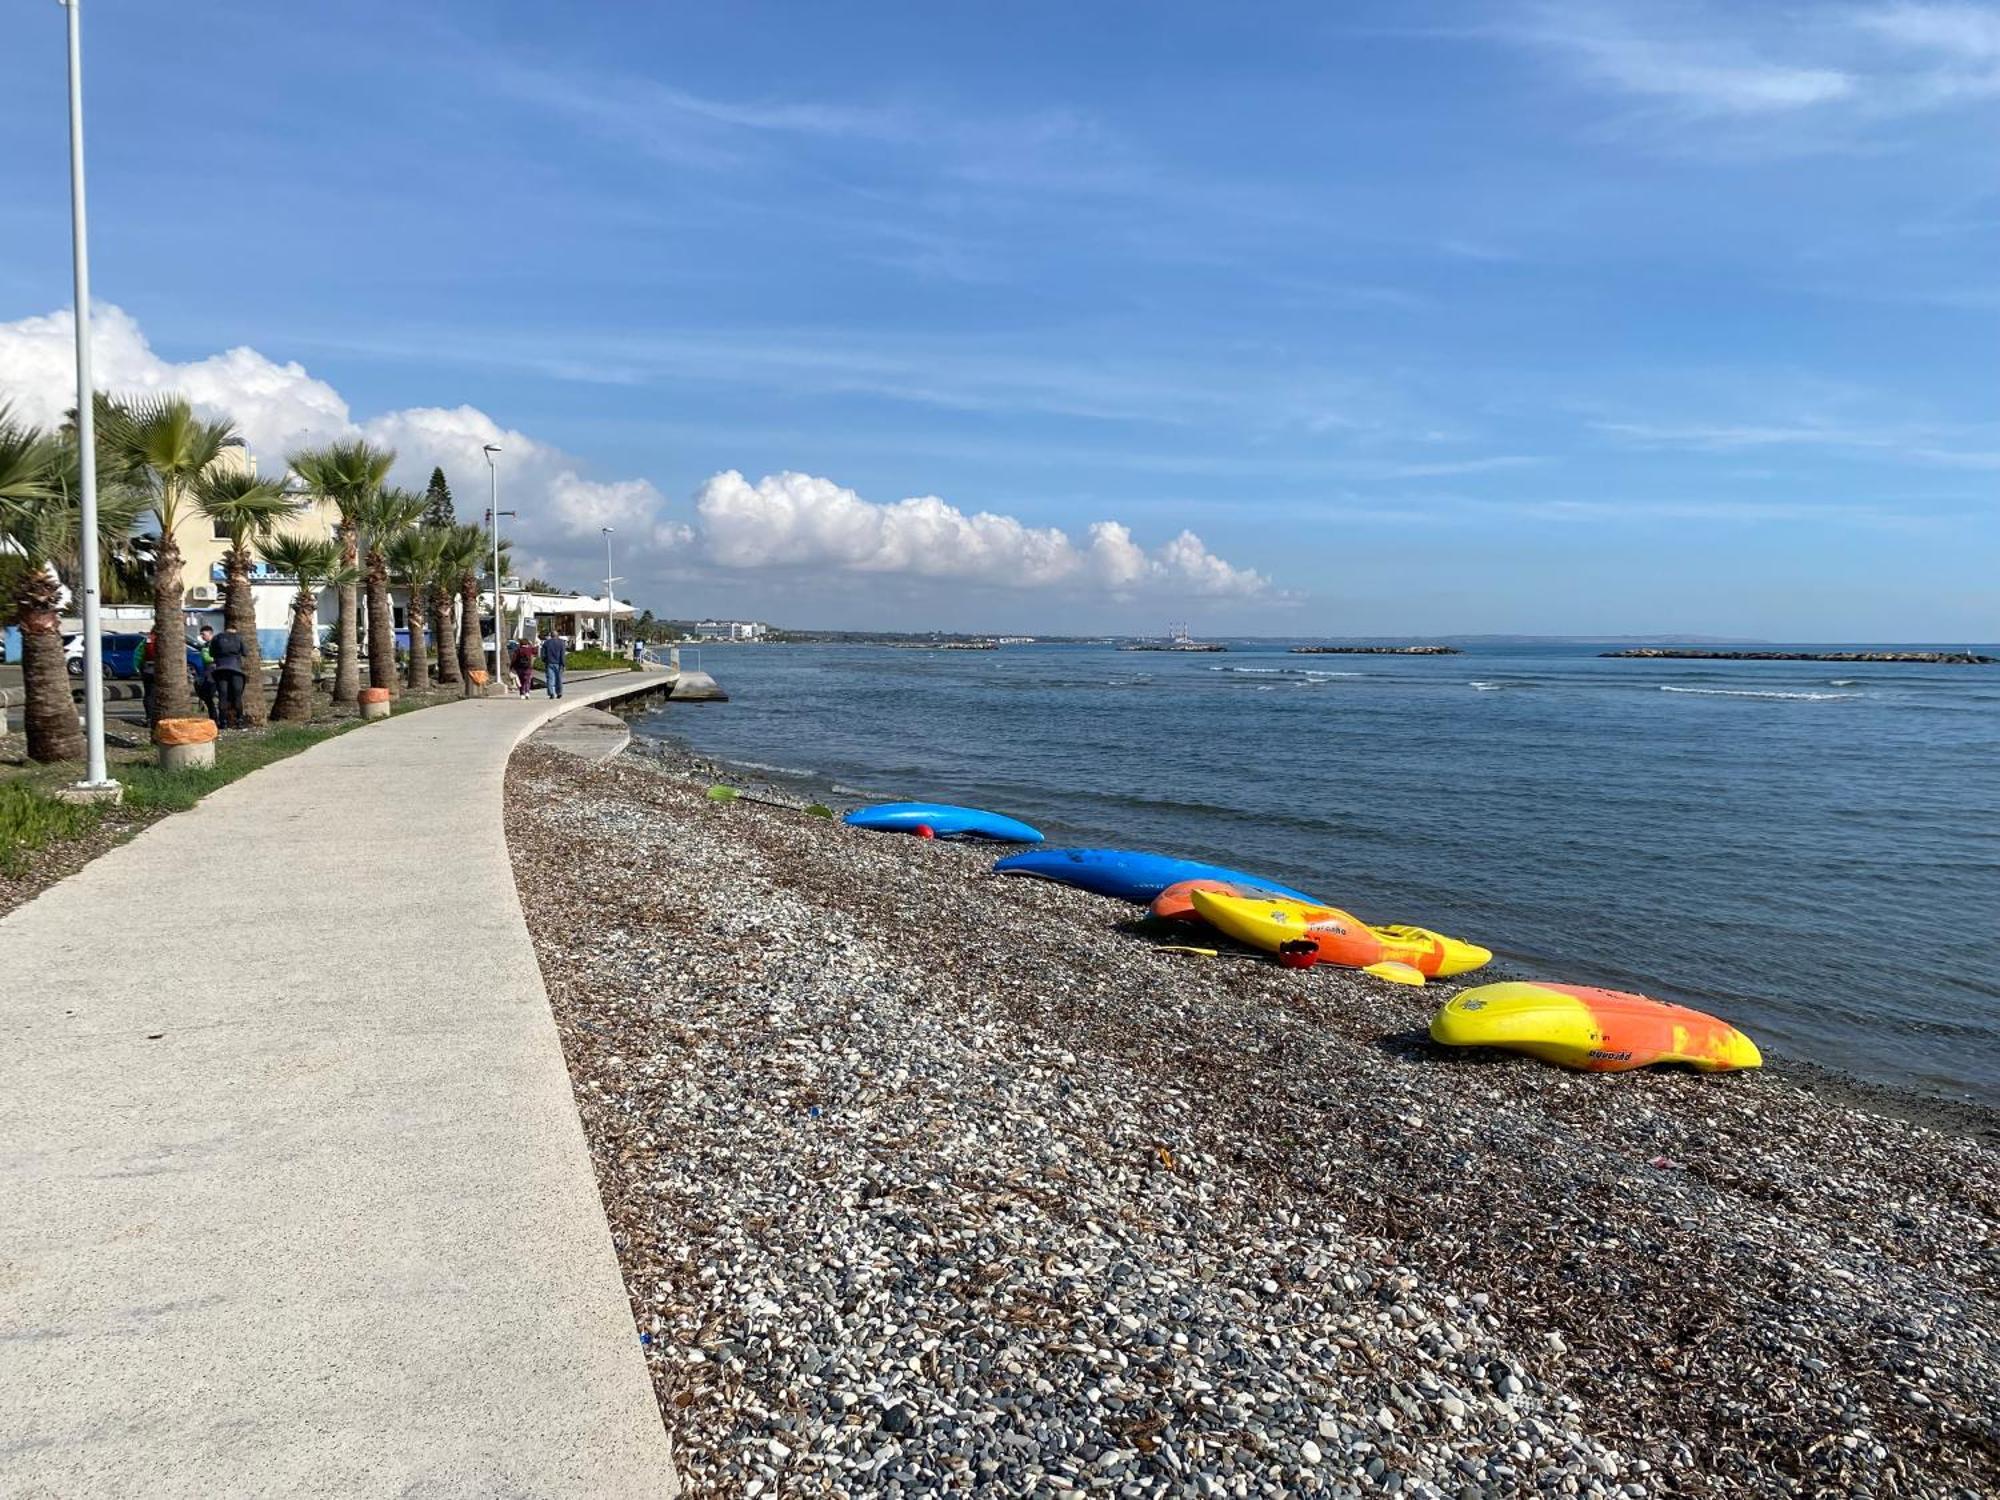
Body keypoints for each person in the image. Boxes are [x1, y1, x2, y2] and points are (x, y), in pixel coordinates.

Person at [208, 623, 249, 728]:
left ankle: (223, 722)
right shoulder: (238, 637)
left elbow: (211, 653)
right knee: (237, 697)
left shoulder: (216, 638)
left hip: (220, 670)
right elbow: (245, 653)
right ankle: (239, 721)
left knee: (222, 697)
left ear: (225, 629)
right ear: (234, 630)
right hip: (236, 670)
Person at [194, 625, 218, 723]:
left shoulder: (215, 644)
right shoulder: (205, 645)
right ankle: (213, 716)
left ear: (210, 633)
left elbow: (213, 658)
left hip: (214, 672)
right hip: (206, 672)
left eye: (204, 634)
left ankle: (216, 717)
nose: (202, 636)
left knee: (210, 694)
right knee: (204, 692)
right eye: (201, 634)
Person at [538, 632, 568, 699]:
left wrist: (545, 660)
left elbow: (542, 654)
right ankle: (559, 692)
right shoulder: (561, 643)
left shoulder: (546, 643)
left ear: (551, 636)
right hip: (559, 663)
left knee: (550, 679)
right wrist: (563, 664)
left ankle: (551, 693)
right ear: (558, 636)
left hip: (549, 663)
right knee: (559, 679)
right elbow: (562, 655)